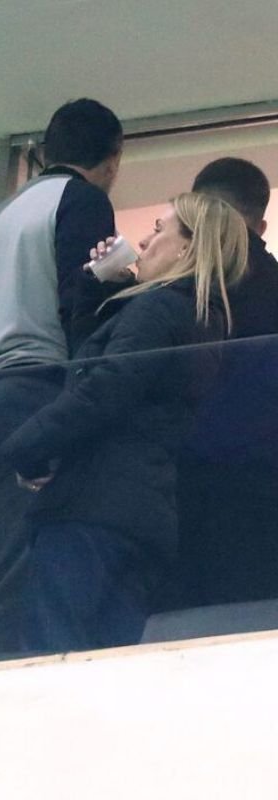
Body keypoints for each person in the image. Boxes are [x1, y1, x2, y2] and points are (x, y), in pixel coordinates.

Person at [0, 99, 126, 668]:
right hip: (33, 392)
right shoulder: (82, 200)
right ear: (112, 161)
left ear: (45, 152)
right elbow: (79, 310)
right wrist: (75, 413)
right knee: (15, 564)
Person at [0, 192, 249, 651]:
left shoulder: (158, 308)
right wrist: (99, 286)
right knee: (110, 661)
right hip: (144, 512)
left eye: (158, 229)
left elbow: (103, 387)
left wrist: (24, 446)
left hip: (92, 504)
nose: (145, 241)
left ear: (188, 246)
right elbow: (112, 378)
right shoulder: (203, 319)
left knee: (53, 650)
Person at [172, 158, 278, 607]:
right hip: (263, 478)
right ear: (261, 224)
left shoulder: (177, 286)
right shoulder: (273, 284)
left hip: (181, 477)